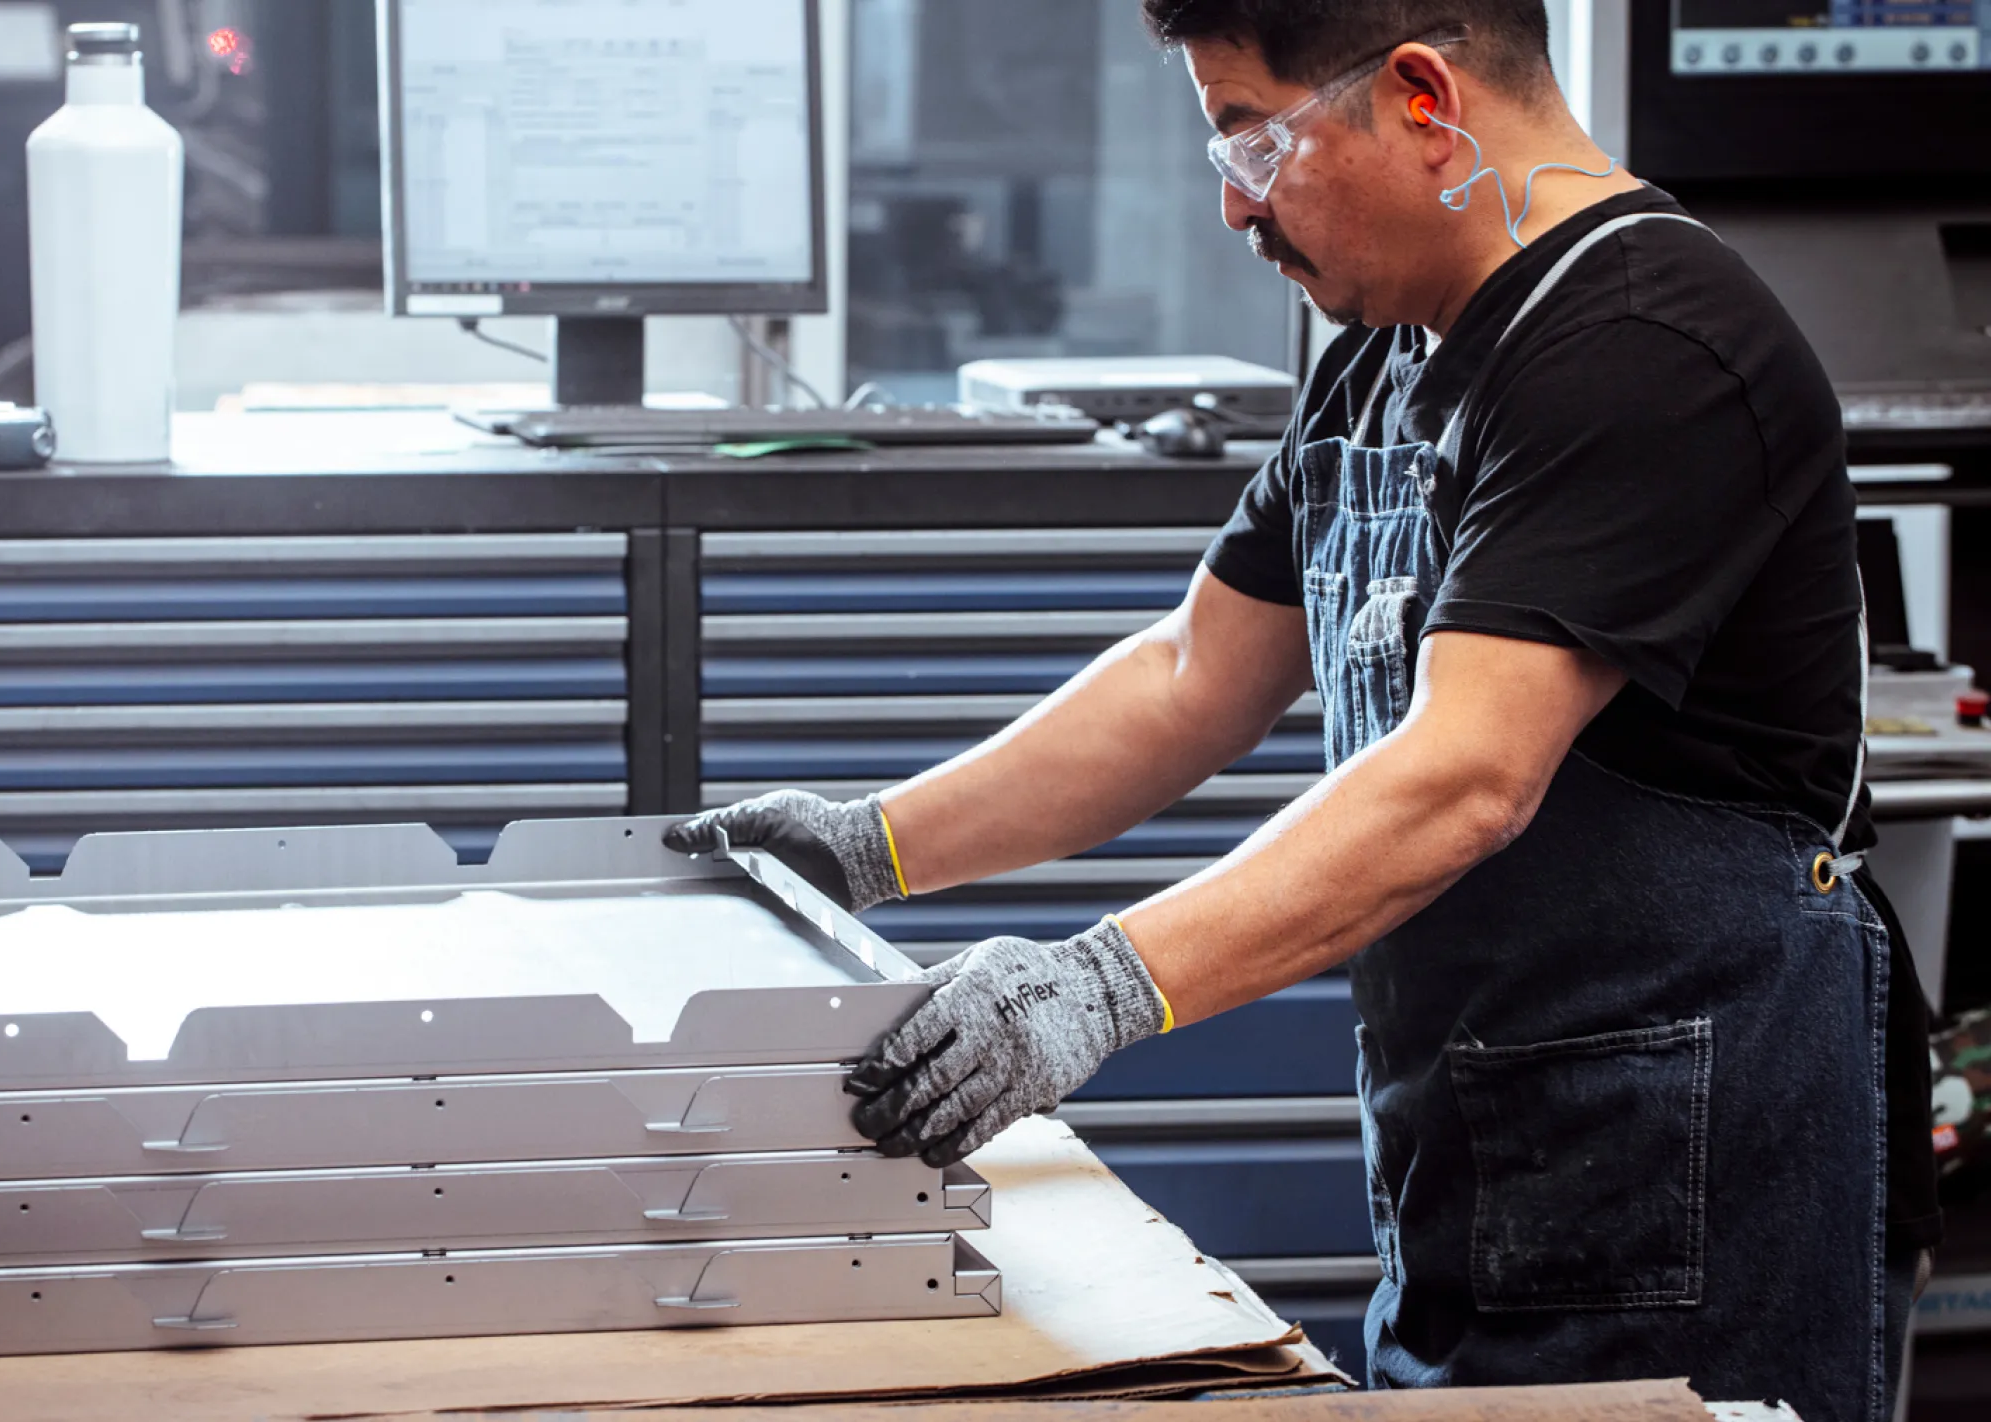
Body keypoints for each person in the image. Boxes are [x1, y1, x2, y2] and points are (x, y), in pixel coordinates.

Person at [667, 3, 1940, 1417]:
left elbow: (1468, 774)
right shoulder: (1388, 350)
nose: (1231, 204)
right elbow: (1192, 675)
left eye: (1251, 138)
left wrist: (1093, 984)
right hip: (1496, 1143)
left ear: (1420, 95)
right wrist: (867, 843)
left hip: (1696, 1161)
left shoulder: (1642, 345)